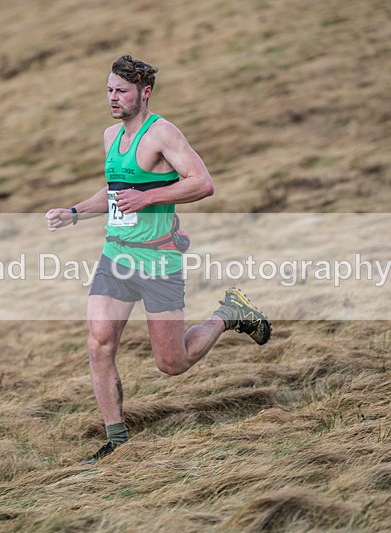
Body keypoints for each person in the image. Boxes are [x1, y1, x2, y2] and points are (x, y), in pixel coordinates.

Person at [45, 55, 271, 464]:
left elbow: (203, 183)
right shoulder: (110, 136)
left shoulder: (162, 134)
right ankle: (116, 441)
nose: (113, 98)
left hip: (158, 260)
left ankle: (229, 314)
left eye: (122, 92)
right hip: (116, 255)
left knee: (172, 363)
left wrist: (148, 197)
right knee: (99, 343)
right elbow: (116, 192)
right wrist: (75, 212)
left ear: (144, 93)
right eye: (109, 90)